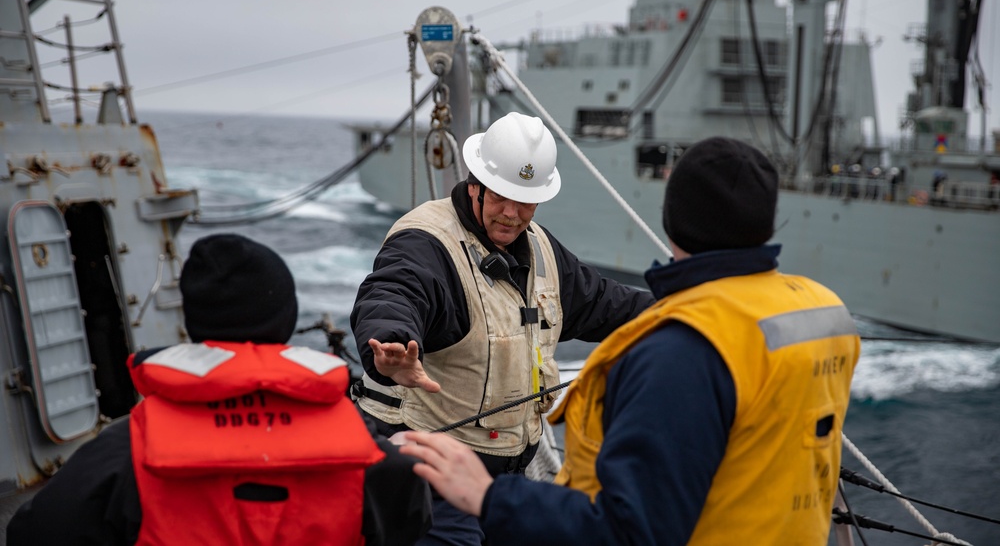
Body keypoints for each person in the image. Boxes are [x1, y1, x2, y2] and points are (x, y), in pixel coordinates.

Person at [398, 136, 862, 545]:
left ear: (673, 220)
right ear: (767, 221)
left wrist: (488, 496)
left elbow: (630, 530)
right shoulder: (822, 311)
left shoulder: (680, 349)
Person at [7, 233, 430, 546]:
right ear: (285, 321)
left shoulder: (129, 448)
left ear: (194, 324)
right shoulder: (364, 450)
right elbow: (411, 520)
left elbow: (32, 533)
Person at [350, 111, 655, 545]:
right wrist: (390, 344)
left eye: (526, 202)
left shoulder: (543, 249)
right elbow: (394, 291)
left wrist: (680, 308)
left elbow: (605, 302)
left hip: (504, 485)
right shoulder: (427, 240)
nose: (512, 215)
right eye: (500, 197)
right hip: (429, 483)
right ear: (474, 184)